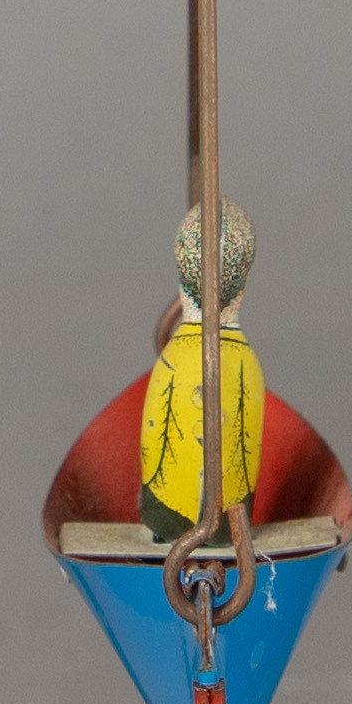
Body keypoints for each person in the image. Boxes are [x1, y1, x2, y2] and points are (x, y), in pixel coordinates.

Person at [139, 198, 265, 541]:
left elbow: (153, 435)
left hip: (171, 511)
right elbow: (247, 450)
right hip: (227, 523)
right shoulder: (246, 365)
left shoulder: (173, 360)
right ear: (243, 285)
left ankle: (170, 525)